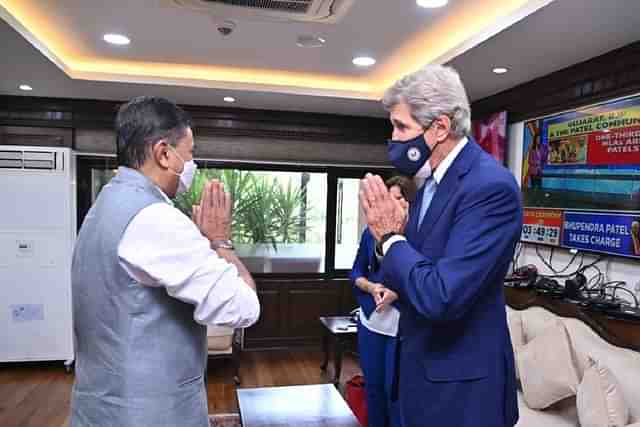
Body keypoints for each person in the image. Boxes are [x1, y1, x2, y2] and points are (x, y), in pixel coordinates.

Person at [70, 96, 260, 427]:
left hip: (100, 408)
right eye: (189, 153)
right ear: (163, 154)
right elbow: (243, 308)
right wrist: (220, 242)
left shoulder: (106, 205)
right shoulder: (155, 218)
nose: (192, 164)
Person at [359, 65, 522, 427]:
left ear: (440, 127)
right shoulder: (428, 185)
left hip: (463, 394)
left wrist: (391, 238)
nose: (394, 138)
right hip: (419, 375)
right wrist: (391, 241)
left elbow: (442, 296)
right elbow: (411, 275)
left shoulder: (488, 187)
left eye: (401, 127)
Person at [350, 176, 415, 427]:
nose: (394, 203)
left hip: (402, 328)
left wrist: (397, 293)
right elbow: (355, 273)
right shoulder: (370, 234)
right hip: (371, 322)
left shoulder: (418, 236)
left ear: (410, 202)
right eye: (390, 198)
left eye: (399, 198)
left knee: (394, 393)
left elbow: (426, 280)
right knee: (374, 389)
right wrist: (372, 286)